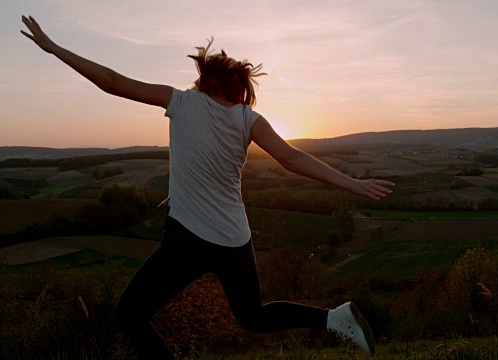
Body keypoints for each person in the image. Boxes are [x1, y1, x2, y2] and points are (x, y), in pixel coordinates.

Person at [21, 15, 395, 359]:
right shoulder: (249, 119)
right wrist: (352, 183)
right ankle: (334, 319)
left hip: (188, 239)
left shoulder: (182, 102)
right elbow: (292, 159)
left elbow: (113, 82)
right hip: (234, 241)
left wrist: (54, 48)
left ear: (209, 81)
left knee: (130, 315)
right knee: (252, 316)